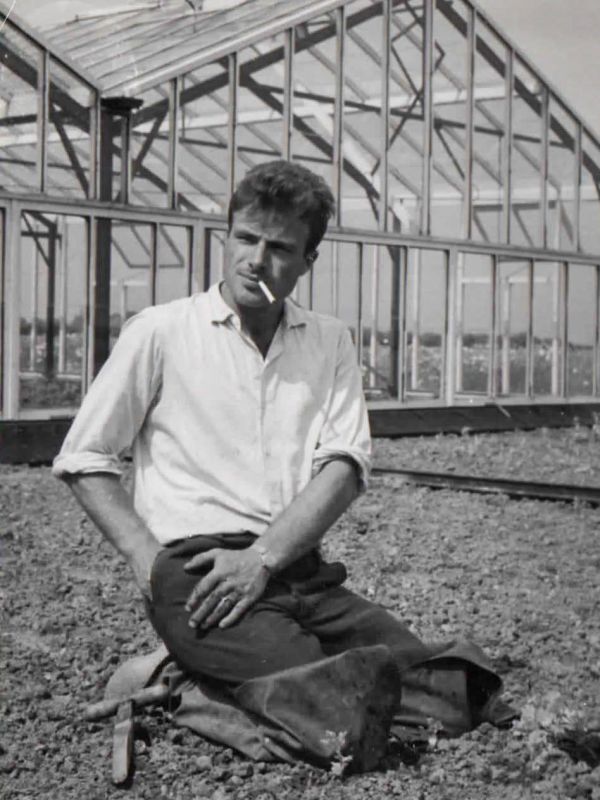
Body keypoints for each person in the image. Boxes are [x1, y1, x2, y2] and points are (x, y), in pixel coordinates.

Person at [53, 160, 508, 770]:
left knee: (456, 694)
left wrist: (263, 559)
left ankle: (220, 679)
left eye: (279, 248)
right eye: (245, 239)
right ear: (226, 238)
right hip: (201, 576)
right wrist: (147, 560)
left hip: (297, 570)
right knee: (344, 722)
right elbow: (85, 456)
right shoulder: (161, 332)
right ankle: (190, 692)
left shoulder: (327, 340)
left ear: (307, 260)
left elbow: (344, 467)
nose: (256, 260)